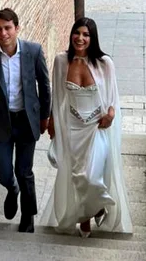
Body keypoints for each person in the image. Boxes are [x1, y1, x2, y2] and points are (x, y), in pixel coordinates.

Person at [43, 17, 132, 237]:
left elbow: (113, 98)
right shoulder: (61, 61)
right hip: (72, 129)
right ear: (71, 34)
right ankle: (85, 220)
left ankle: (98, 207)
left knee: (92, 177)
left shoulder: (105, 63)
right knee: (77, 178)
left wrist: (110, 115)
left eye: (86, 34)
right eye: (77, 33)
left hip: (96, 129)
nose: (80, 38)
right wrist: (53, 122)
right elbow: (57, 96)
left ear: (93, 38)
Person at [0, 8, 51, 233]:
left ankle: (28, 215)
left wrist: (45, 116)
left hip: (26, 120)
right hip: (1, 123)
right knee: (3, 172)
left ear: (17, 28)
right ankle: (12, 188)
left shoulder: (33, 51)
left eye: (7, 28)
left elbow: (45, 86)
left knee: (24, 171)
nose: (3, 33)